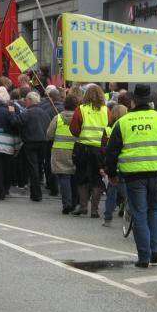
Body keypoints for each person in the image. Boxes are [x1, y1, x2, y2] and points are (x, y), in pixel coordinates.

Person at [106, 84, 157, 267]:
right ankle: (155, 251)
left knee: (139, 213)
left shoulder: (123, 122)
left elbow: (111, 151)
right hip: (156, 172)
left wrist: (112, 173)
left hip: (133, 174)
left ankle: (144, 256)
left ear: (133, 101)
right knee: (155, 210)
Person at [69, 84, 111, 217]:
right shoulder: (106, 110)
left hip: (82, 147)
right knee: (97, 178)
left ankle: (82, 207)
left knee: (82, 177)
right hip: (99, 149)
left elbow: (74, 129)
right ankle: (94, 209)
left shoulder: (80, 109)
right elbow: (109, 129)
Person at [11, 91, 50, 202]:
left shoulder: (27, 112)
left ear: (30, 101)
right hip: (43, 142)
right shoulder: (44, 113)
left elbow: (15, 122)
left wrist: (12, 113)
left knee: (33, 168)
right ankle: (35, 192)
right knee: (39, 166)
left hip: (31, 142)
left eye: (26, 100)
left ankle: (36, 194)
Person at [47, 95, 79, 213]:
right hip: (75, 151)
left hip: (59, 150)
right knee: (74, 177)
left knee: (64, 177)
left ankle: (67, 203)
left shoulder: (58, 118)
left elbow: (49, 134)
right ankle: (75, 203)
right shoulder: (80, 118)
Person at [103, 104, 128, 226]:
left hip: (114, 163)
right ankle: (129, 211)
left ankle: (108, 217)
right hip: (125, 162)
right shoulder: (127, 126)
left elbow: (105, 149)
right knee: (126, 190)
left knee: (111, 192)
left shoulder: (109, 128)